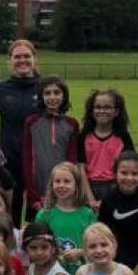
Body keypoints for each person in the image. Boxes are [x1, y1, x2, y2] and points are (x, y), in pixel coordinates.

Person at [0, 39, 43, 221]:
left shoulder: (46, 88)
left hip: (38, 160)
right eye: (17, 57)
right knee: (10, 209)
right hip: (9, 160)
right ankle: (10, 246)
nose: (22, 60)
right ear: (9, 60)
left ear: (35, 59)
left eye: (27, 56)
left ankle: (37, 245)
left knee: (39, 208)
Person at [21, 75, 82, 217]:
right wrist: (33, 195)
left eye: (57, 92)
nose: (52, 97)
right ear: (41, 97)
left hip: (62, 189)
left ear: (64, 96)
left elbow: (71, 161)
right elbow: (27, 160)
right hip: (37, 192)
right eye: (47, 93)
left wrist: (67, 188)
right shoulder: (31, 122)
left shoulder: (72, 124)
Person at [33, 162, 93, 271]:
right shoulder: (44, 214)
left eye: (67, 181)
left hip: (82, 272)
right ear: (52, 185)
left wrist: (81, 252)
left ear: (77, 185)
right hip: (52, 271)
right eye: (57, 181)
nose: (61, 185)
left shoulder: (87, 214)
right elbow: (37, 243)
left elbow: (96, 244)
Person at [81, 88, 135, 205]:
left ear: (116, 112)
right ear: (91, 111)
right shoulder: (83, 136)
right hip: (89, 188)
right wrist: (90, 199)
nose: (102, 111)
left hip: (116, 187)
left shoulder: (123, 137)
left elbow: (130, 168)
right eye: (98, 107)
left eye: (107, 107)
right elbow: (81, 170)